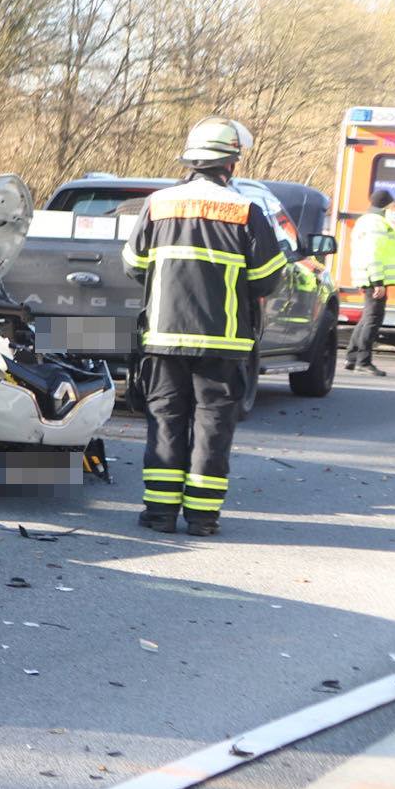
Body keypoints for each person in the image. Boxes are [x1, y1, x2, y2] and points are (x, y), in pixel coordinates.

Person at [123, 118, 287, 534]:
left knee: (165, 422)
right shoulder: (246, 211)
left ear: (191, 161)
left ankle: (159, 514)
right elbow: (268, 277)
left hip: (162, 338)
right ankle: (202, 517)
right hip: (223, 342)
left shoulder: (158, 204)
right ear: (229, 164)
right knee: (212, 427)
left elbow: (133, 265)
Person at [346, 186, 395, 375]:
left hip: (368, 275)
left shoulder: (367, 220)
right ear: (386, 205)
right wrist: (378, 282)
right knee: (373, 319)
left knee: (368, 317)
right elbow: (373, 253)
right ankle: (363, 361)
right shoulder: (376, 223)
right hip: (373, 276)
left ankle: (352, 357)